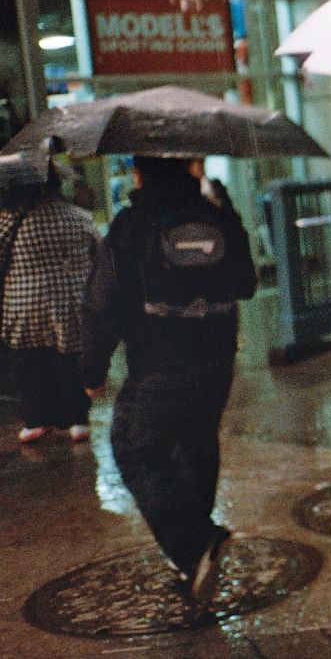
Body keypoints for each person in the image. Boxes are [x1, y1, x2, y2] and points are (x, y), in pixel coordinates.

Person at [80, 156, 257, 603]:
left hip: (159, 364)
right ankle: (193, 565)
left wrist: (91, 367)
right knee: (196, 443)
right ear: (187, 169)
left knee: (135, 448)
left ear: (140, 174)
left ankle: (196, 544)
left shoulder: (131, 226)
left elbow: (105, 305)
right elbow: (247, 283)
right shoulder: (216, 216)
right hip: (218, 359)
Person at [1, 162, 100, 444]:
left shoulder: (7, 221)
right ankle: (78, 421)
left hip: (23, 306)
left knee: (29, 364)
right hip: (72, 303)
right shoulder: (80, 217)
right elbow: (100, 255)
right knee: (70, 361)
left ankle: (36, 421)